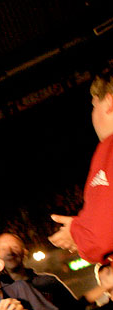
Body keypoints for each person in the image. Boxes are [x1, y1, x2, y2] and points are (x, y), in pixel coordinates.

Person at [49, 74, 113, 265]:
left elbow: (101, 234)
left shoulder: (110, 147)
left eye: (94, 106)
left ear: (109, 102)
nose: (93, 114)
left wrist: (77, 233)